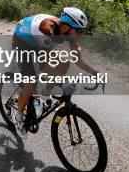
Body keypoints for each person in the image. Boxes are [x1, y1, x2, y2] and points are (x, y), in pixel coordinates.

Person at [11, 7, 100, 139]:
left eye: (83, 30)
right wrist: (63, 82)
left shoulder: (69, 32)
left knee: (65, 63)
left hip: (39, 41)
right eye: (79, 30)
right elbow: (43, 66)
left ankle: (45, 93)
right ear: (66, 27)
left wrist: (95, 73)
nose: (81, 34)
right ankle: (18, 119)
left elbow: (77, 60)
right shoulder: (49, 30)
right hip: (23, 41)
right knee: (30, 84)